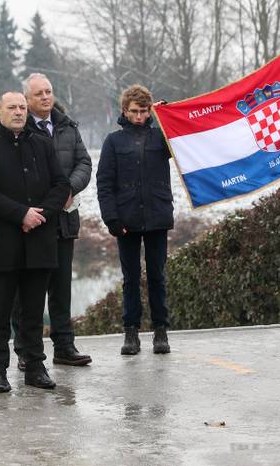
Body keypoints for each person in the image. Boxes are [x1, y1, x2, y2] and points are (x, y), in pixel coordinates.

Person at [0, 91, 70, 393]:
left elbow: (61, 184)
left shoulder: (42, 143)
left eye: (22, 108)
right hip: (5, 243)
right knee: (0, 311)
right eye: (12, 107)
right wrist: (21, 214)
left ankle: (35, 367)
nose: (18, 112)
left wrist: (41, 214)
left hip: (39, 240)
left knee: (33, 310)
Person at [12, 73, 92, 369]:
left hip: (64, 221)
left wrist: (70, 188)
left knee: (61, 288)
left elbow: (84, 162)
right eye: (39, 94)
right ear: (27, 99)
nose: (46, 97)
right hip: (33, 221)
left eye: (48, 91)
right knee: (27, 292)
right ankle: (25, 350)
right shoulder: (20, 128)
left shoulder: (67, 126)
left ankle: (64, 345)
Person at [96, 84, 173, 356]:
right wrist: (111, 218)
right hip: (126, 218)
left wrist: (167, 118)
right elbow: (104, 183)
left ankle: (160, 330)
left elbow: (182, 147)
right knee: (130, 278)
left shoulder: (159, 137)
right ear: (124, 111)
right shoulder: (113, 141)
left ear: (150, 110)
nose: (139, 116)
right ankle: (131, 331)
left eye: (144, 111)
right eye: (134, 112)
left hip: (157, 216)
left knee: (157, 276)